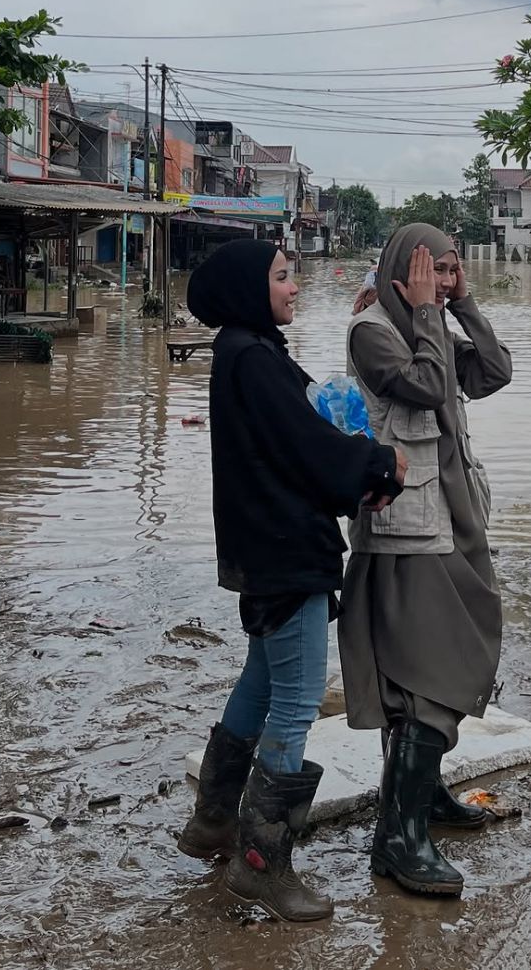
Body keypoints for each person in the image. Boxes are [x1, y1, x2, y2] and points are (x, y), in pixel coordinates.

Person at [178, 239, 406, 922]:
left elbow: (303, 435)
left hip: (266, 545)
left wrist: (358, 467)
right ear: (251, 288)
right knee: (299, 695)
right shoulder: (252, 357)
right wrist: (378, 463)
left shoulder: (248, 351)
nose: (296, 285)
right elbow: (310, 444)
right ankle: (262, 864)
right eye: (282, 276)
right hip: (283, 550)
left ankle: (213, 822)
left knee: (264, 680)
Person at [339, 224, 512, 899]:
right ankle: (398, 839)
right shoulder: (373, 331)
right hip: (409, 529)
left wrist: (462, 305)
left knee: (441, 660)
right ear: (401, 269)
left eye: (449, 271)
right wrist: (428, 314)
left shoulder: (431, 318)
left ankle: (421, 798)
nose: (441, 281)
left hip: (456, 514)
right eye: (432, 269)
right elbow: (431, 386)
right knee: (430, 673)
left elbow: (493, 372)